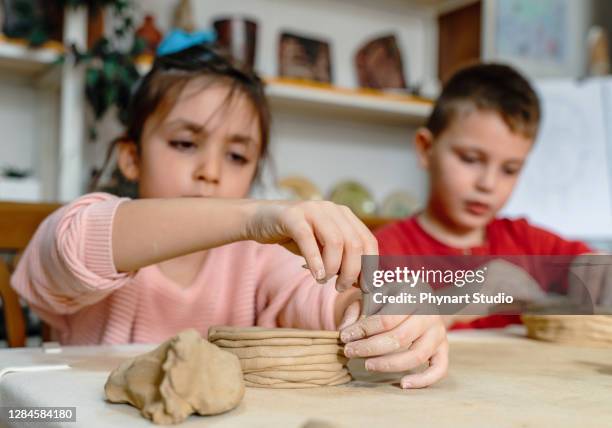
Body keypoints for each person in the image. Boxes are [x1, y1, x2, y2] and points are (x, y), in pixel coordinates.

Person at [11, 43, 447, 389]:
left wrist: (387, 310)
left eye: (237, 156)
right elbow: (74, 242)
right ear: (131, 158)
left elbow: (320, 299)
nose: (211, 171)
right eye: (185, 143)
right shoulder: (102, 234)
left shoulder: (256, 260)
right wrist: (252, 215)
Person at [375, 63, 608, 329]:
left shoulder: (527, 243)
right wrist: (460, 297)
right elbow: (369, 329)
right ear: (426, 149)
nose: (488, 184)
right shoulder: (384, 252)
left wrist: (599, 268)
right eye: (470, 159)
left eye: (510, 169)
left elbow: (591, 263)